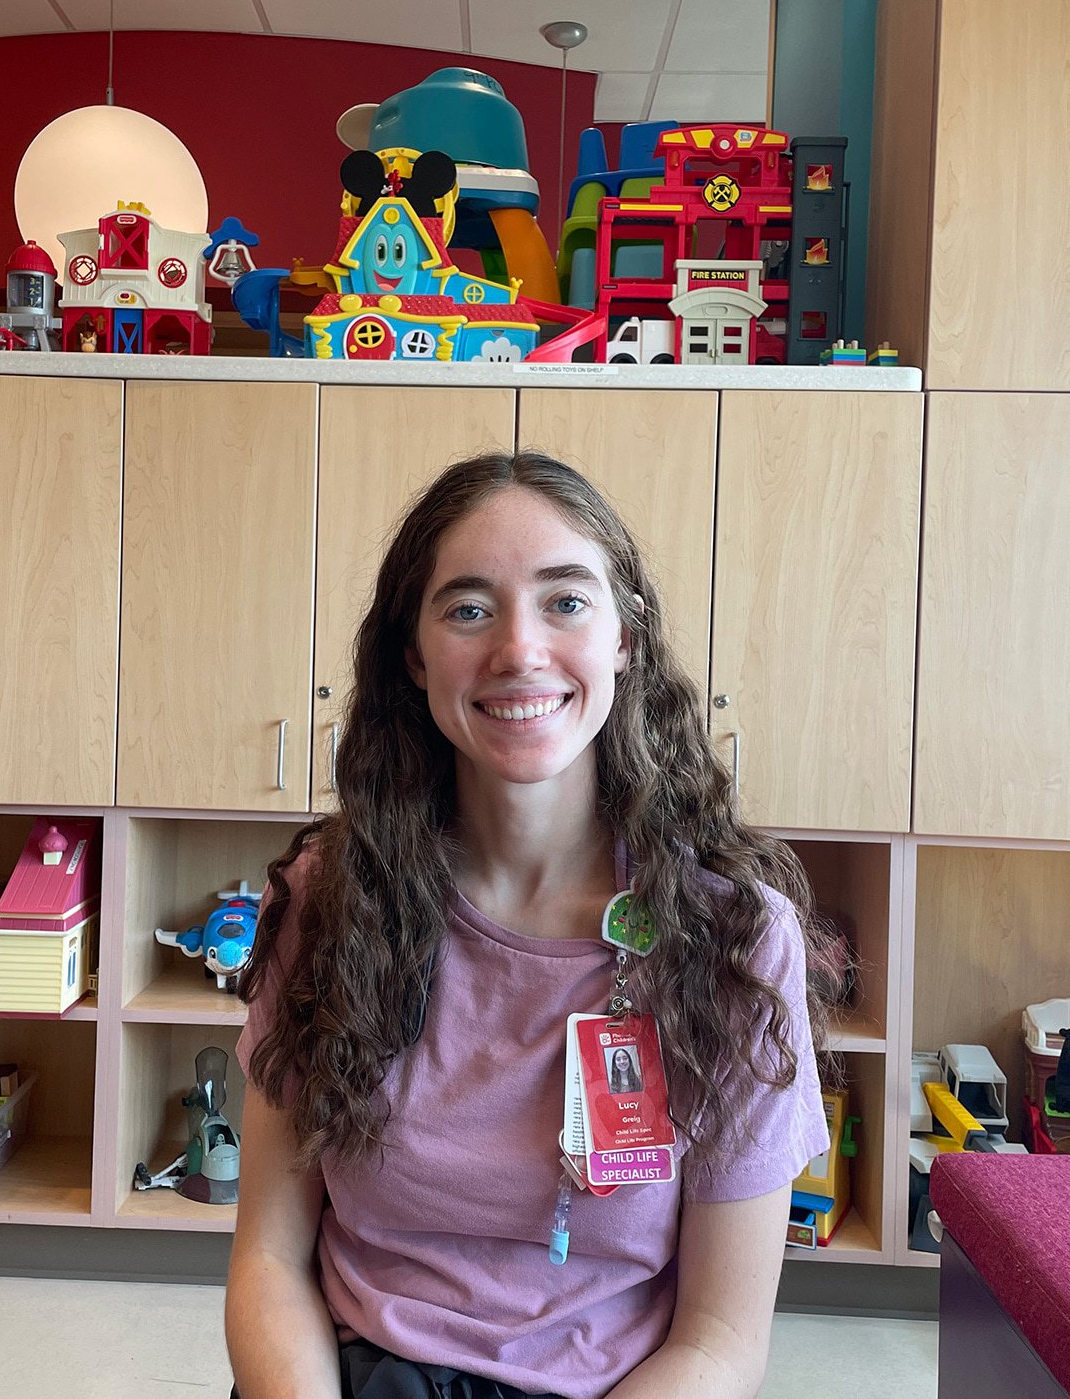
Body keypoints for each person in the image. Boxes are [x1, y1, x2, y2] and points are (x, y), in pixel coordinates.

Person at [226, 452, 832, 1399]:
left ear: (626, 635)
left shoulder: (734, 937)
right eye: (468, 608)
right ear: (414, 656)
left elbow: (719, 1341)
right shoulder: (328, 899)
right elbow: (267, 1263)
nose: (518, 650)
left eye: (566, 602)